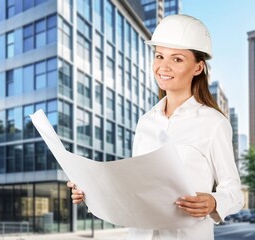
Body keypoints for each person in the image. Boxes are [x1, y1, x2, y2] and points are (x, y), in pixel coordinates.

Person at [67, 14, 244, 240]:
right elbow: (134, 190)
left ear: (198, 68)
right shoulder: (146, 122)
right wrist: (91, 190)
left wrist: (214, 201)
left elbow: (235, 193)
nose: (163, 67)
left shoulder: (213, 123)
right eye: (159, 56)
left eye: (177, 59)